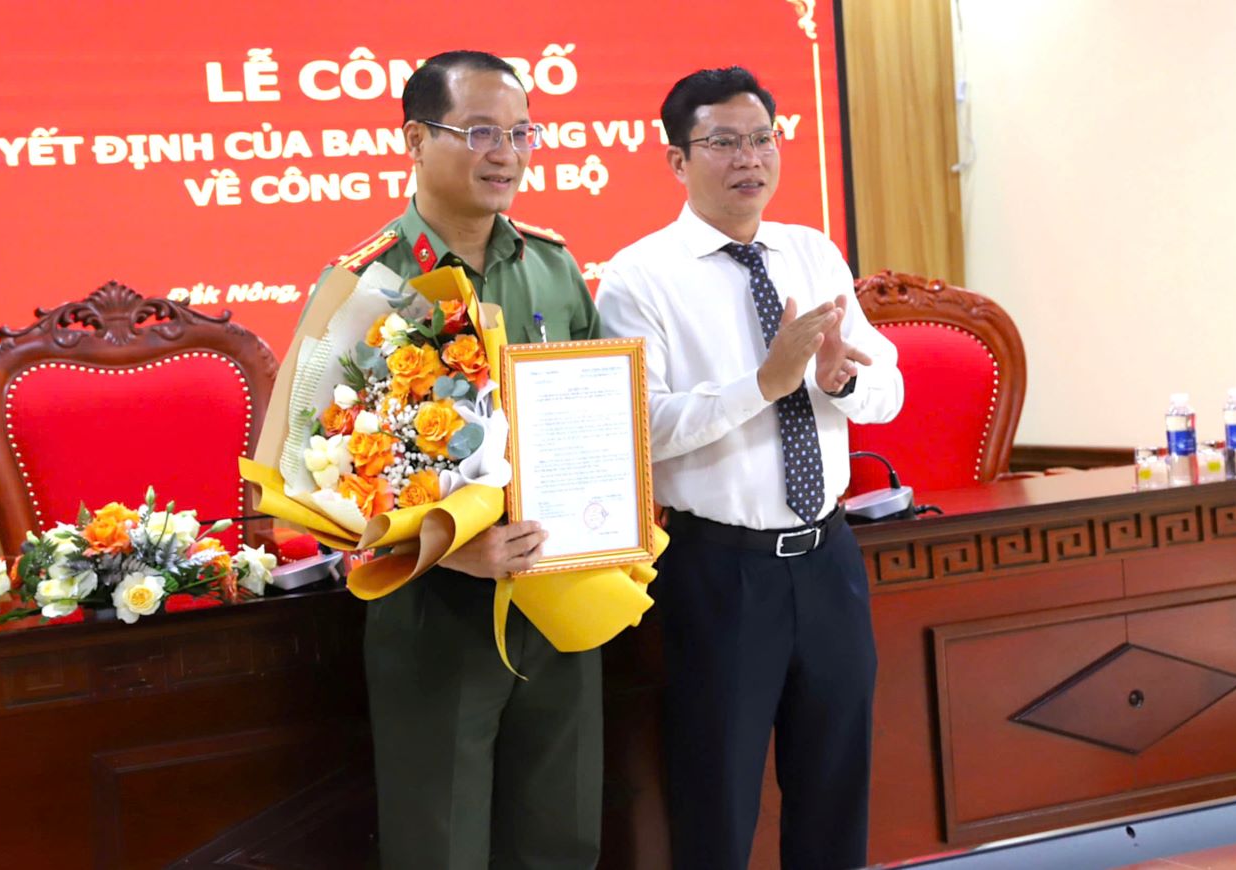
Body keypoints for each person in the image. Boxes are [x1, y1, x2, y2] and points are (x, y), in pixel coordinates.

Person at [595, 66, 904, 869]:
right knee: (718, 800)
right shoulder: (638, 278)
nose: (749, 159)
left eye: (763, 138)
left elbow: (889, 389)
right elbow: (641, 429)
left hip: (829, 558)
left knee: (835, 790)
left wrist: (839, 380)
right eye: (724, 142)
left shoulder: (811, 252)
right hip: (718, 571)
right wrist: (762, 385)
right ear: (677, 160)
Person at [312, 50, 603, 869]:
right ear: (415, 139)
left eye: (521, 133)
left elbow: (595, 418)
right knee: (440, 847)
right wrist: (444, 548)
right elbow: (312, 477)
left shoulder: (552, 266)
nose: (505, 153)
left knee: (562, 836)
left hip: (559, 592)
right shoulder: (362, 284)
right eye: (479, 132)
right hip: (432, 608)